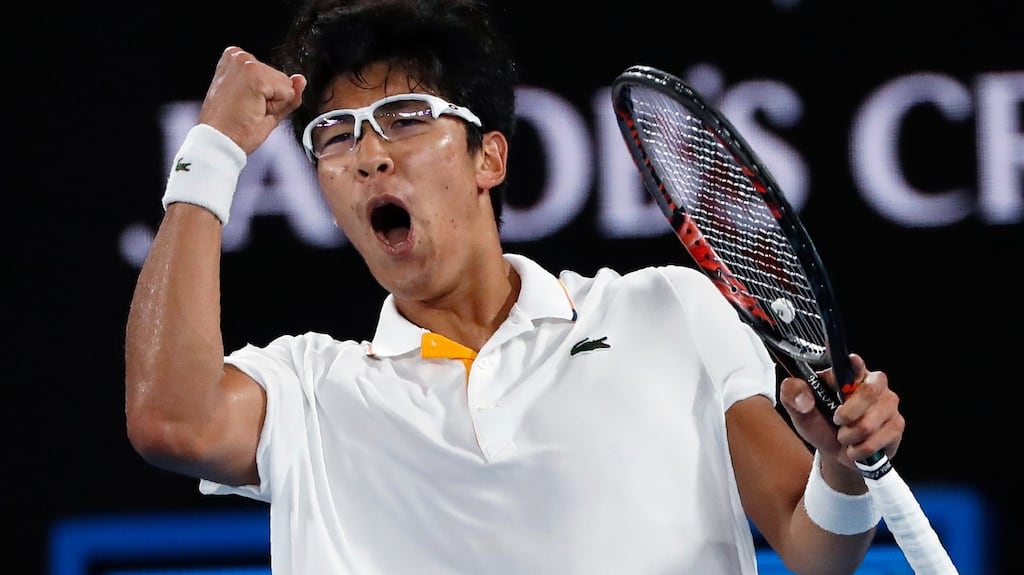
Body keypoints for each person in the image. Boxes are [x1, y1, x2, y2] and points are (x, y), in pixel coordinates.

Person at [124, 0, 905, 573]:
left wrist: (843, 467)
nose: (368, 155)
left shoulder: (665, 309)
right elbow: (169, 420)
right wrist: (212, 151)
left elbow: (815, 547)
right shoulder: (308, 393)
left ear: (488, 158)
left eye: (405, 117)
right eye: (335, 135)